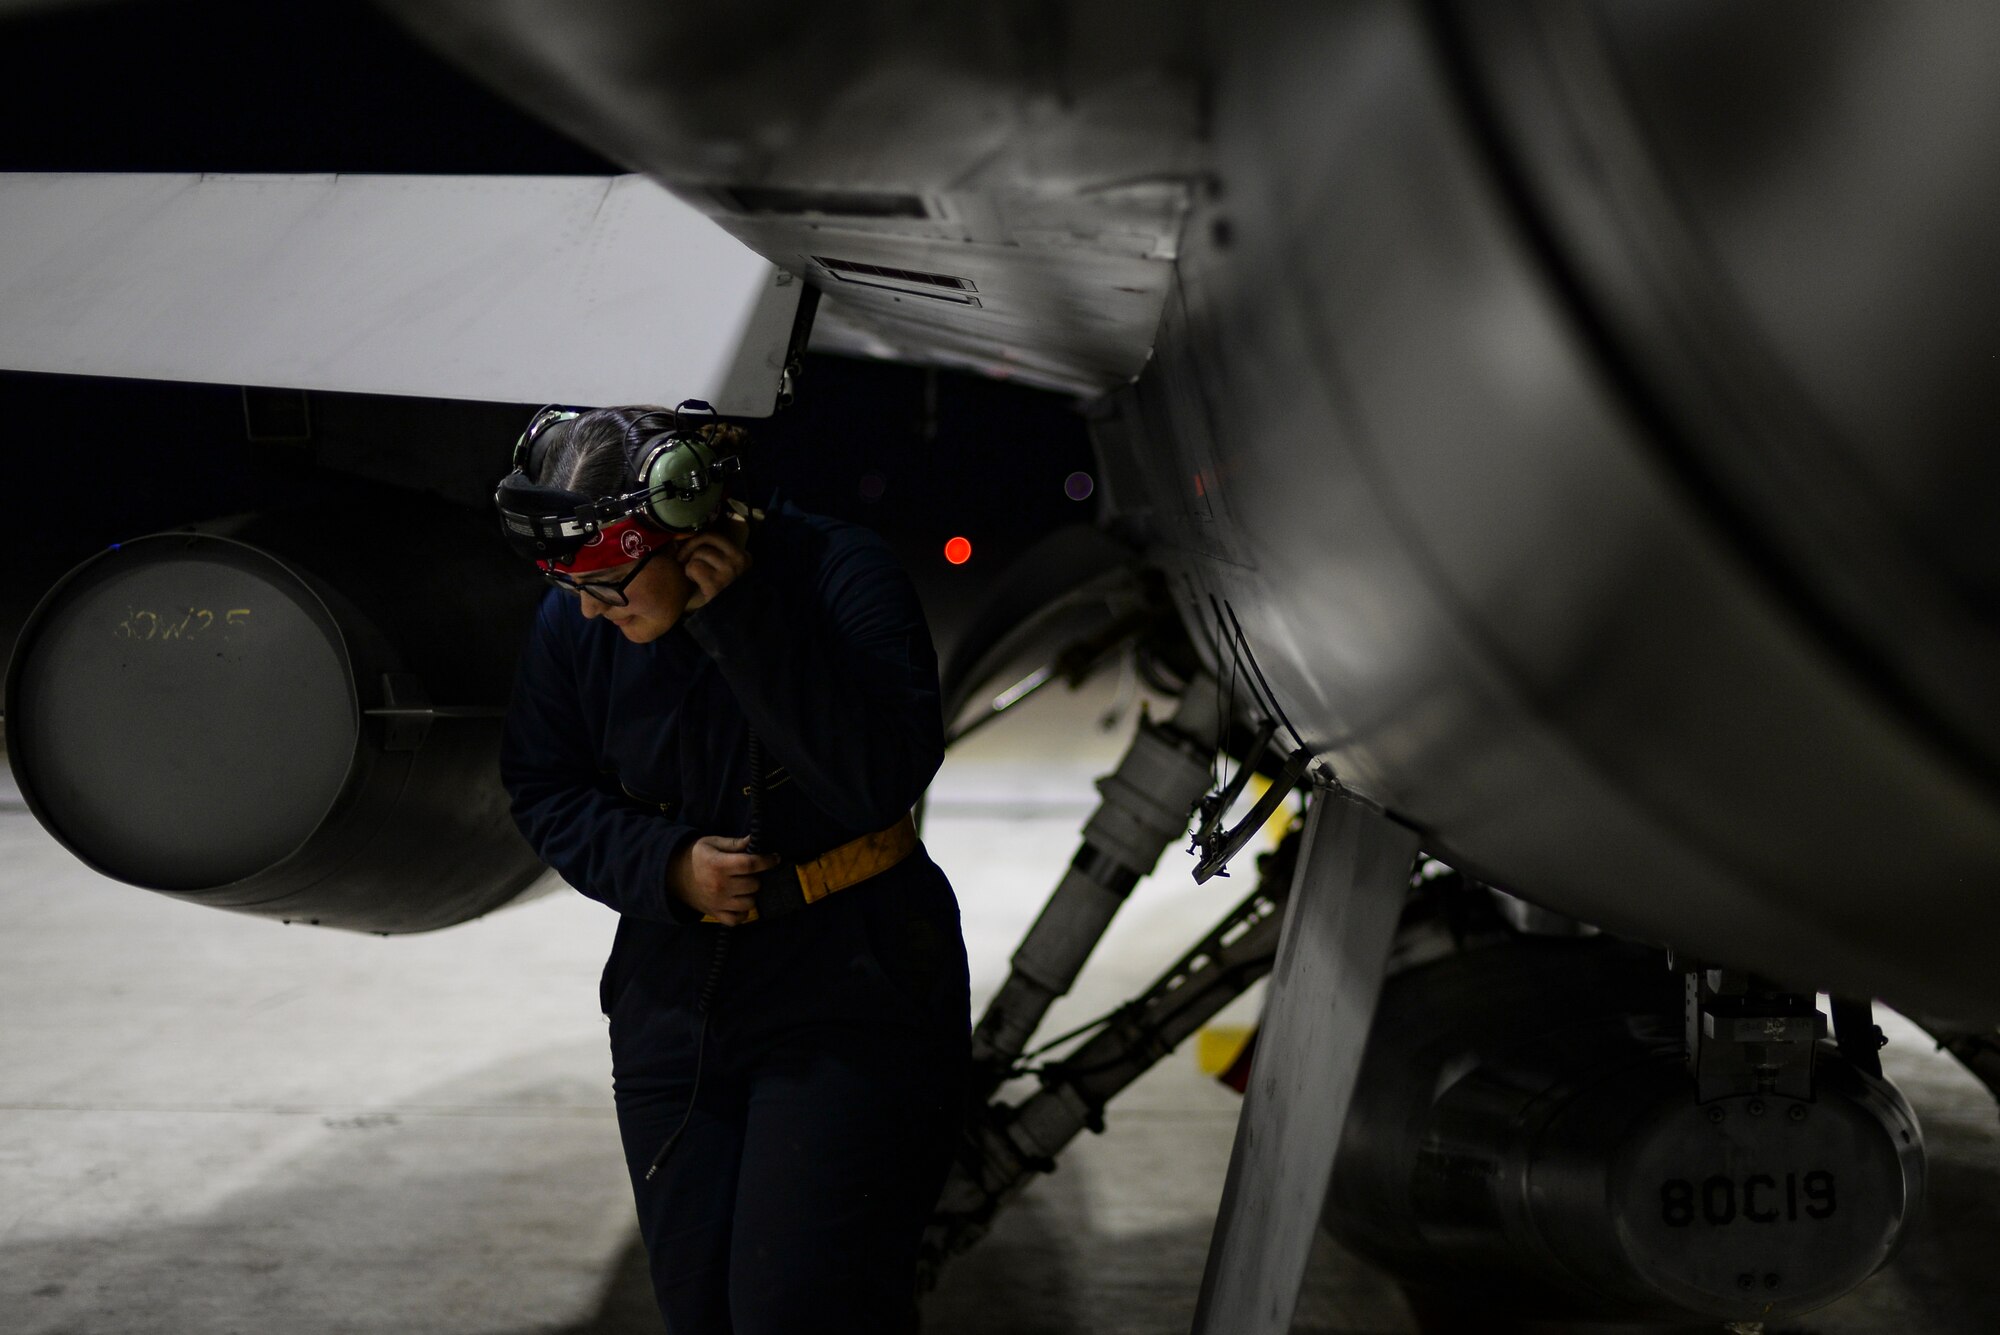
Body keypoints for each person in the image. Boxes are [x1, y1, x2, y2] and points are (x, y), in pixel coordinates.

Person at [493, 403, 970, 1334]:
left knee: (799, 1309)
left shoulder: (841, 574)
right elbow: (543, 784)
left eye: (607, 583)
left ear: (688, 524)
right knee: (698, 1309)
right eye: (570, 583)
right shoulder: (576, 617)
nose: (589, 608)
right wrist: (664, 866)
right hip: (673, 999)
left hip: (853, 989)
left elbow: (875, 781)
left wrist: (746, 626)